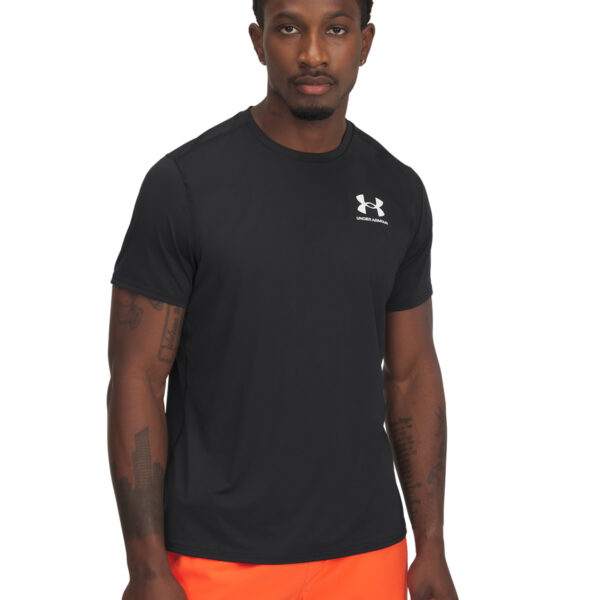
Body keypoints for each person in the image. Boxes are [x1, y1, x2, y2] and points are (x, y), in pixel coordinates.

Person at [107, 0, 459, 598]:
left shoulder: (398, 192)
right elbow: (136, 377)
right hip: (216, 558)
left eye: (337, 29)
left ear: (365, 43)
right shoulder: (184, 185)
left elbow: (412, 373)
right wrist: (145, 568)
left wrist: (431, 547)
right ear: (258, 40)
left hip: (368, 552)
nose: (313, 53)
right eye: (289, 27)